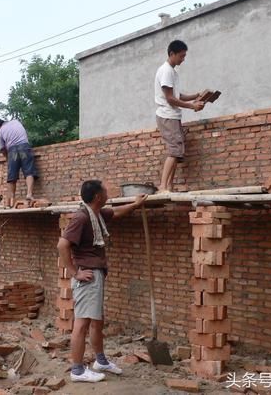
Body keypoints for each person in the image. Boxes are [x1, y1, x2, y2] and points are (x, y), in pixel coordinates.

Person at [57, 180, 146, 383]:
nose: (108, 192)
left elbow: (116, 212)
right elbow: (62, 245)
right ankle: (78, 371)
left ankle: (101, 361)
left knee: (97, 321)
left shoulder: (96, 214)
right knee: (81, 324)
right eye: (105, 190)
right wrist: (74, 272)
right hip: (87, 276)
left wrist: (135, 204)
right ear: (98, 196)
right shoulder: (81, 217)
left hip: (96, 274)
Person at [155, 40, 206, 193]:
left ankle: (169, 186)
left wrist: (196, 96)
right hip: (167, 116)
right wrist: (193, 106)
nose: (183, 59)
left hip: (173, 116)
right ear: (172, 54)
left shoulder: (172, 71)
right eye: (181, 56)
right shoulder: (166, 71)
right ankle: (163, 186)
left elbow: (177, 96)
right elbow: (170, 99)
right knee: (173, 151)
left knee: (177, 153)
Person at [0, 119, 38, 207]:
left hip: (13, 152)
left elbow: (2, 149)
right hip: (24, 148)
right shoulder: (16, 121)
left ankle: (11, 200)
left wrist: (7, 158)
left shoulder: (0, 132)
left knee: (12, 176)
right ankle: (29, 194)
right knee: (29, 171)